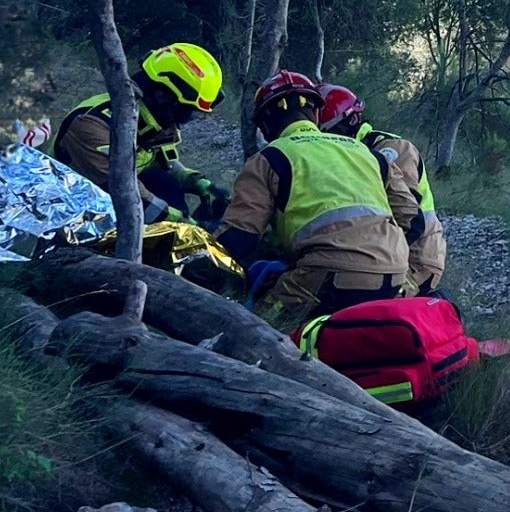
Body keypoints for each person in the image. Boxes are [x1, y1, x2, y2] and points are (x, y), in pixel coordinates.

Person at [214, 70, 418, 316]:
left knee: (257, 324)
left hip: (326, 276)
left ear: (265, 125)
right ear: (316, 113)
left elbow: (240, 237)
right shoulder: (368, 153)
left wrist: (203, 262)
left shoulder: (269, 158)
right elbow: (412, 219)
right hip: (395, 277)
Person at [54, 42, 229, 226]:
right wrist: (187, 225)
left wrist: (199, 183)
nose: (185, 119)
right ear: (161, 95)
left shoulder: (148, 122)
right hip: (72, 223)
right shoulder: (92, 125)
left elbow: (164, 165)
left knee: (163, 181)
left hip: (110, 215)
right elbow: (126, 196)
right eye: (187, 111)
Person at [319, 83, 447, 293]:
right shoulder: (350, 155)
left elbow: (406, 217)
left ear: (352, 120)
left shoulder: (393, 149)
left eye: (328, 133)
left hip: (416, 256)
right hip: (382, 252)